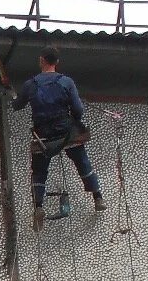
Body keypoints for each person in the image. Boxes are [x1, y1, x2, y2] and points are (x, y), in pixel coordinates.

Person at [10, 45, 106, 230]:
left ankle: (38, 206)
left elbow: (17, 105)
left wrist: (13, 95)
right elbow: (78, 110)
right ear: (57, 62)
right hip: (66, 132)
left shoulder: (31, 84)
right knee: (82, 162)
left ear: (41, 60)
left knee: (39, 172)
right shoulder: (66, 82)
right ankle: (97, 196)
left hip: (43, 137)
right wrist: (73, 123)